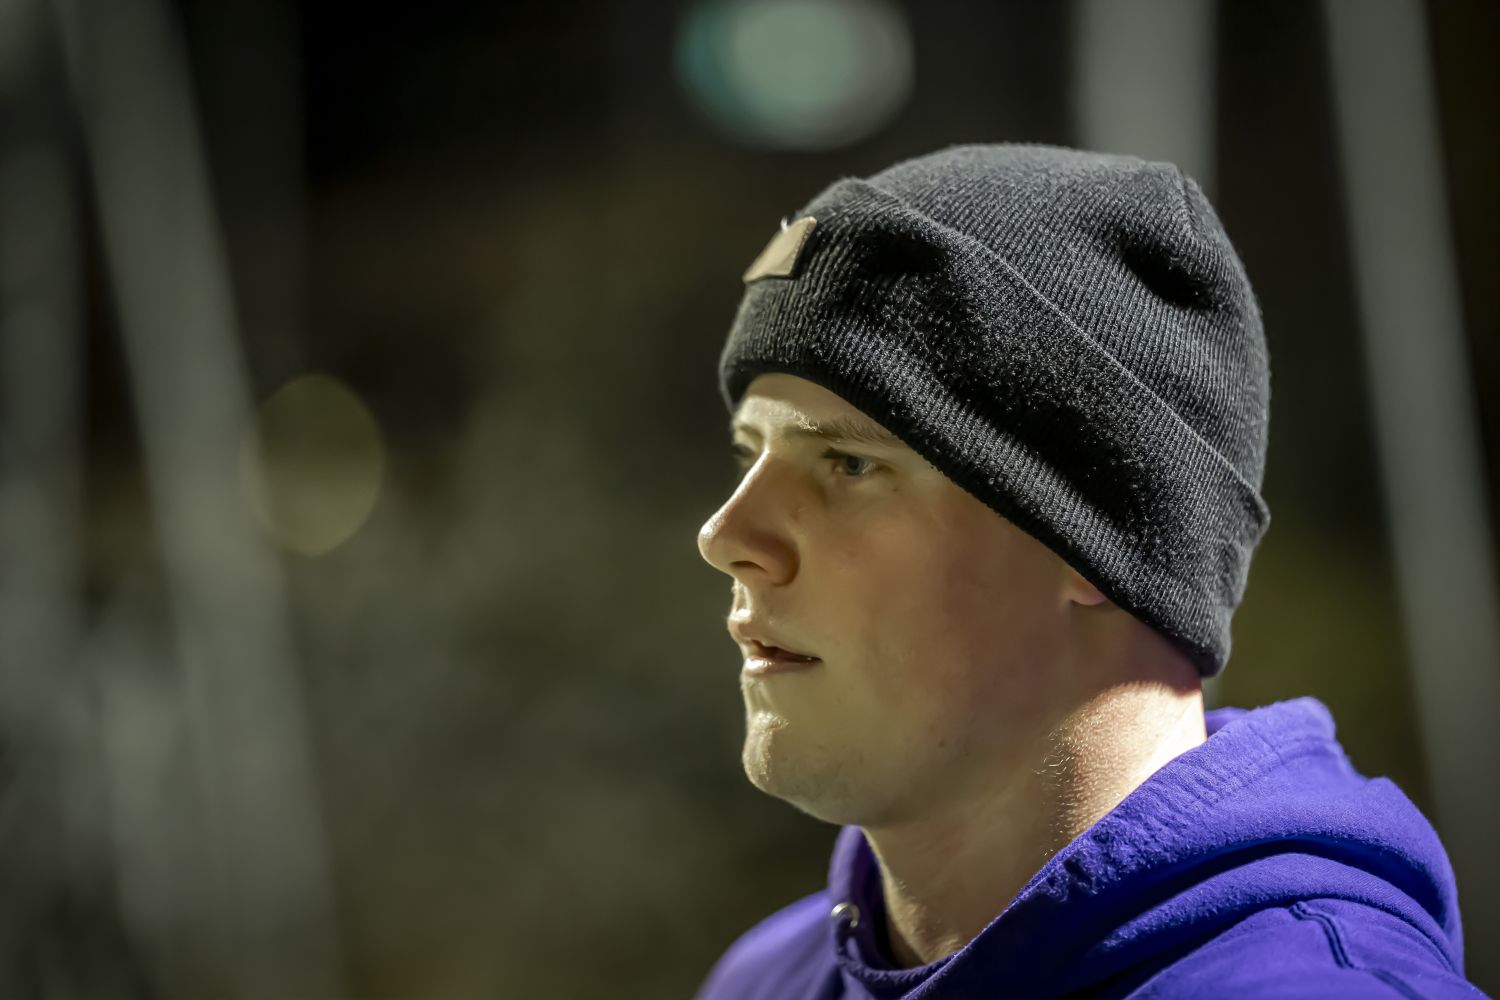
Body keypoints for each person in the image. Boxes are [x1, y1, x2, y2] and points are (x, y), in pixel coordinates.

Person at [692, 144, 1486, 999]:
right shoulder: (766, 978)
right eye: (748, 453)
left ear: (1098, 534)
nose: (726, 535)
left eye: (850, 464)